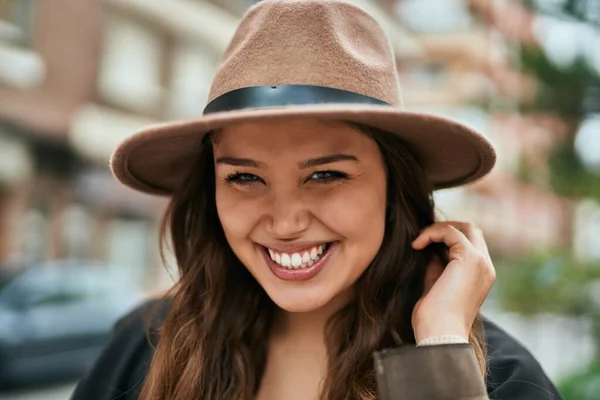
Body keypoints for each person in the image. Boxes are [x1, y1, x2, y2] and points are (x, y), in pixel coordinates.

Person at [71, 0, 563, 399]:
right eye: (244, 178)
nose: (285, 222)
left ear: (396, 186)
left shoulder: (500, 377)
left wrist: (438, 352)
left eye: (326, 174)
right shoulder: (146, 345)